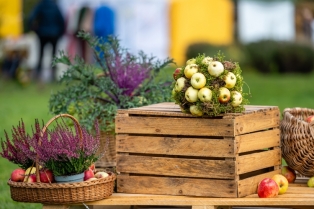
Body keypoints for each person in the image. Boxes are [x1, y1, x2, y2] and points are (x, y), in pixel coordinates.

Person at [28, 0, 65, 82]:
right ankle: (53, 76)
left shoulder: (41, 5)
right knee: (54, 56)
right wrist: (60, 33)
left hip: (42, 33)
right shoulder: (55, 6)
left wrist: (34, 29)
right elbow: (61, 20)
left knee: (40, 55)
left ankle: (38, 76)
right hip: (54, 34)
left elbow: (31, 17)